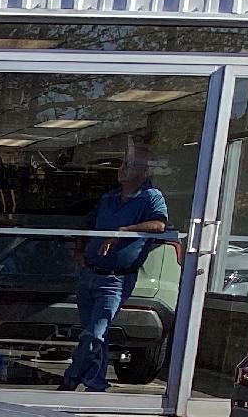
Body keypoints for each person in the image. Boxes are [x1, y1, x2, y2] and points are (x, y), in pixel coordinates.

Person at [58, 145, 170, 392]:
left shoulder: (151, 196)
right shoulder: (110, 197)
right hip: (89, 273)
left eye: (129, 165)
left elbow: (159, 225)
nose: (122, 170)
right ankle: (95, 381)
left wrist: (123, 231)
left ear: (142, 170)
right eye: (123, 164)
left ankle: (71, 377)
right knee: (94, 332)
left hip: (115, 280)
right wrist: (79, 250)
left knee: (95, 332)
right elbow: (86, 222)